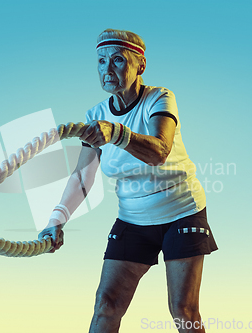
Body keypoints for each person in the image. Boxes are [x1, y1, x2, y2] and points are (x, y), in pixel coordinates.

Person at [38, 29, 218, 333]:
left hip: (182, 213)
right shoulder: (95, 115)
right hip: (133, 220)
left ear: (140, 66)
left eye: (118, 60)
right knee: (106, 305)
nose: (107, 69)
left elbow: (159, 151)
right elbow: (83, 176)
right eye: (101, 61)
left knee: (183, 309)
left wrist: (117, 133)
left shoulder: (159, 98)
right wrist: (57, 219)